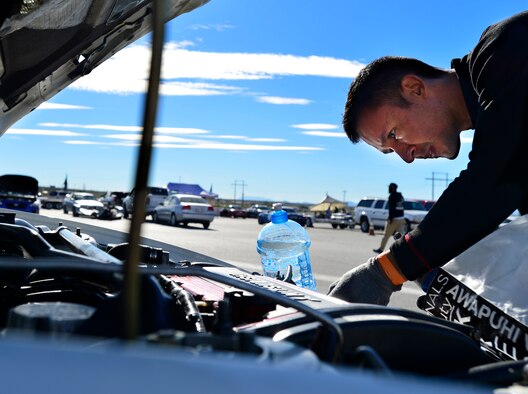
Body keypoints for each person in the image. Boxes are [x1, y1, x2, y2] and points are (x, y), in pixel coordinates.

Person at [328, 11, 528, 306]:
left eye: (394, 134)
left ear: (415, 88)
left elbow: (497, 179)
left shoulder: (506, 46)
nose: (406, 157)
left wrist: (387, 270)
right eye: (390, 151)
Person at [373, 183, 405, 254]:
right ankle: (402, 250)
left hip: (394, 219)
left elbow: (392, 208)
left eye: (390, 187)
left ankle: (381, 249)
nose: (389, 189)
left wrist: (390, 219)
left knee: (386, 235)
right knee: (400, 236)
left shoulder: (392, 196)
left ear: (393, 188)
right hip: (401, 218)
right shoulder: (400, 196)